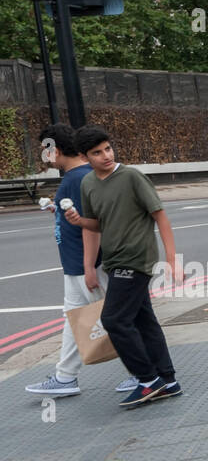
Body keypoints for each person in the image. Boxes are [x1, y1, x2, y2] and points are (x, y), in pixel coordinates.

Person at [62, 126, 183, 406]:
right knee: (143, 320)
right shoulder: (88, 184)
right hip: (113, 260)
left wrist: (172, 258)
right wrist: (80, 225)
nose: (106, 155)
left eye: (108, 148)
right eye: (97, 152)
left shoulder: (131, 177)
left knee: (114, 319)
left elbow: (160, 216)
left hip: (136, 258)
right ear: (84, 157)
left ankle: (147, 379)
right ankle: (167, 380)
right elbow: (97, 224)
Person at [24, 125, 134, 399]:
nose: (44, 155)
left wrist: (88, 268)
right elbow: (80, 219)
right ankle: (65, 377)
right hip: (75, 265)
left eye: (45, 149)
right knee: (73, 319)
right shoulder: (76, 178)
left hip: (88, 265)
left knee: (117, 318)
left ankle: (142, 372)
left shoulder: (78, 178)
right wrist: (58, 212)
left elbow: (93, 226)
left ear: (56, 150)